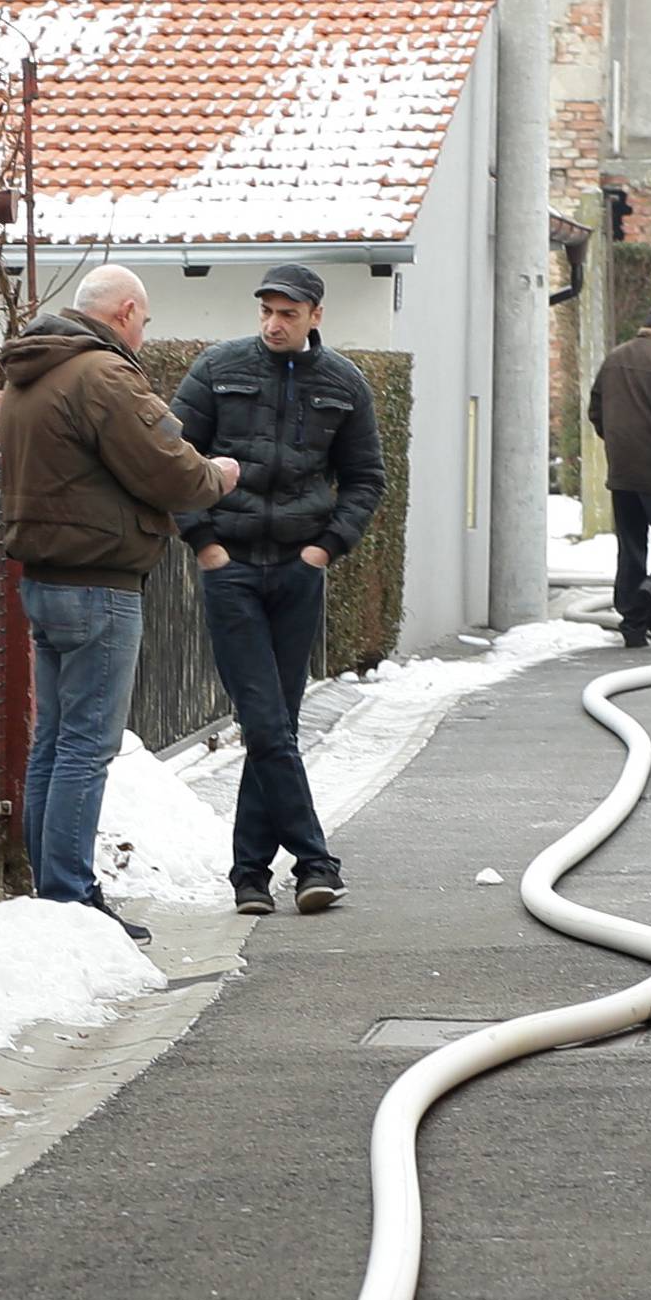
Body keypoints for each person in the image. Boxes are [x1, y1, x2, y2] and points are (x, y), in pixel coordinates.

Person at [0, 263, 240, 947]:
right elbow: (168, 468)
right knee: (86, 746)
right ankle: (72, 898)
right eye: (146, 321)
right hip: (100, 581)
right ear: (127, 311)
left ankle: (53, 888)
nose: (143, 333)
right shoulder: (101, 375)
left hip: (44, 578)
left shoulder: (33, 370)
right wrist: (216, 475)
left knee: (53, 741)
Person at [170, 263, 385, 918]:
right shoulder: (218, 368)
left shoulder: (344, 384)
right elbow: (170, 459)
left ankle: (250, 876)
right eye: (267, 309)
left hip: (298, 570)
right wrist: (204, 543)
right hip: (230, 567)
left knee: (276, 726)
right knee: (264, 720)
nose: (274, 322)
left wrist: (325, 549)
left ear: (315, 315)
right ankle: (315, 861)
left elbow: (366, 478)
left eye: (288, 312)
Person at [586, 296, 651, 648]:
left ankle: (634, 624)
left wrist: (621, 445)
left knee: (631, 547)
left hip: (623, 474)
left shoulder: (614, 359)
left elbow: (596, 412)